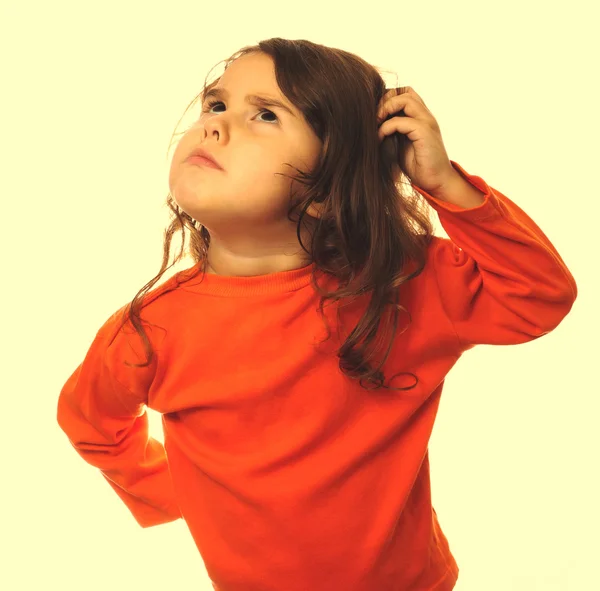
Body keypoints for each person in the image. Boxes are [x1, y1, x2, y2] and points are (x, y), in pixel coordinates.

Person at [56, 38, 577, 591]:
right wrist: (168, 489)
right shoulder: (149, 331)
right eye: (215, 105)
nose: (214, 125)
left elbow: (538, 296)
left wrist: (443, 184)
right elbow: (90, 424)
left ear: (329, 187)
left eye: (264, 114)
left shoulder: (402, 282)